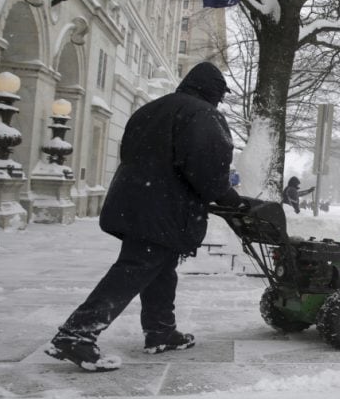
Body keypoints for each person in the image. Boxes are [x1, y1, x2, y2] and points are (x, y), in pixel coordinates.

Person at [45, 62, 245, 372]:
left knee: (160, 266)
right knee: (135, 268)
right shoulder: (203, 115)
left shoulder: (151, 109)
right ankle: (77, 333)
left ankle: (160, 330)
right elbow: (206, 168)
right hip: (164, 209)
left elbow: (132, 154)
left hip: (135, 201)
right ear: (214, 91)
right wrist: (230, 198)